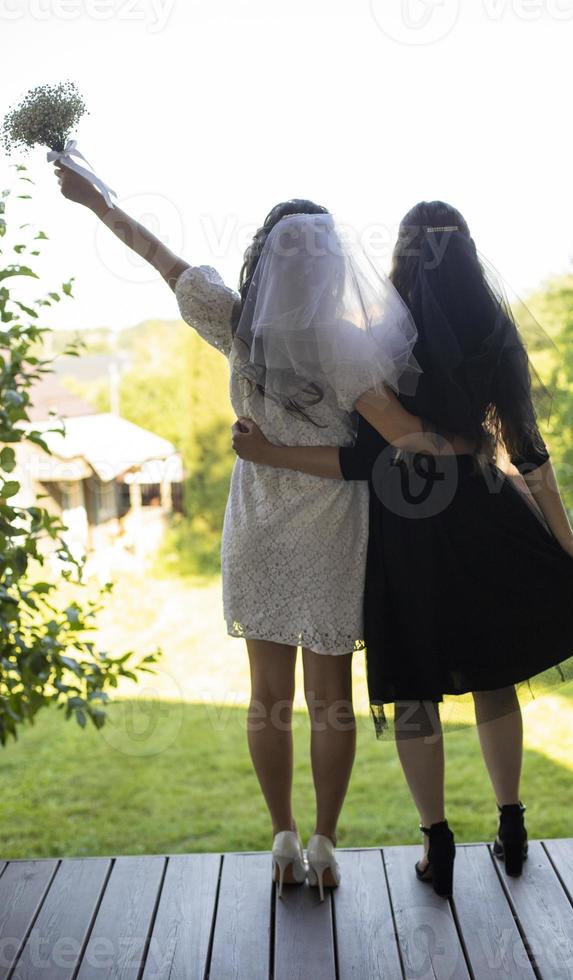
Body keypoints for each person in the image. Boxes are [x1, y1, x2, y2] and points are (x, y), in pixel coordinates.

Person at [232, 200, 573, 898]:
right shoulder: (492, 331)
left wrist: (267, 450)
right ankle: (511, 824)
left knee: (415, 686)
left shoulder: (379, 340)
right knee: (494, 674)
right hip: (484, 518)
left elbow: (362, 459)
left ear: (401, 257)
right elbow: (529, 450)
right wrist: (566, 539)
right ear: (469, 255)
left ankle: (436, 843)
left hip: (406, 527)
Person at [52, 165, 428, 898]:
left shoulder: (235, 325)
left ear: (263, 258)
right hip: (330, 542)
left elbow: (159, 257)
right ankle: (325, 841)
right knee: (331, 702)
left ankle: (281, 835)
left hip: (256, 533)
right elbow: (405, 438)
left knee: (265, 699)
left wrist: (100, 201)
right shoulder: (349, 349)